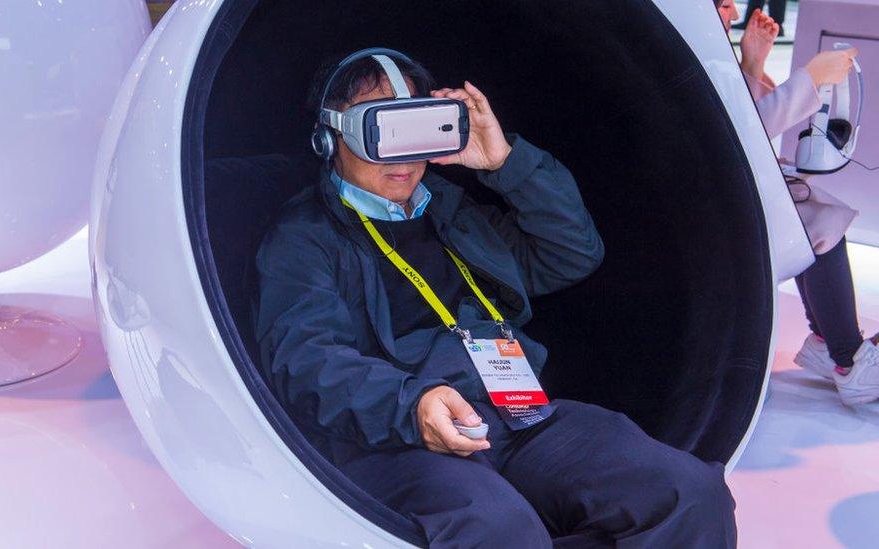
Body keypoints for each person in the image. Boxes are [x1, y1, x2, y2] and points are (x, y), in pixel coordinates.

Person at [255, 49, 736, 547]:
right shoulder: (304, 237)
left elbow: (570, 254)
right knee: (501, 529)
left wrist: (507, 162)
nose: (403, 155)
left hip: (516, 411)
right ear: (330, 137)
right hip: (397, 438)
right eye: (381, 130)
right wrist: (410, 405)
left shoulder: (446, 208)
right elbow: (304, 358)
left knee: (689, 492)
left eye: (417, 126)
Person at [716, 0, 879, 405]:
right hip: (708, 199)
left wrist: (752, 65)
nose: (733, 14)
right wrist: (810, 79)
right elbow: (738, 133)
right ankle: (848, 359)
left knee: (811, 213)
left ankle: (831, 343)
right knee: (815, 220)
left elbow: (736, 117)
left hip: (715, 189)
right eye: (721, 6)